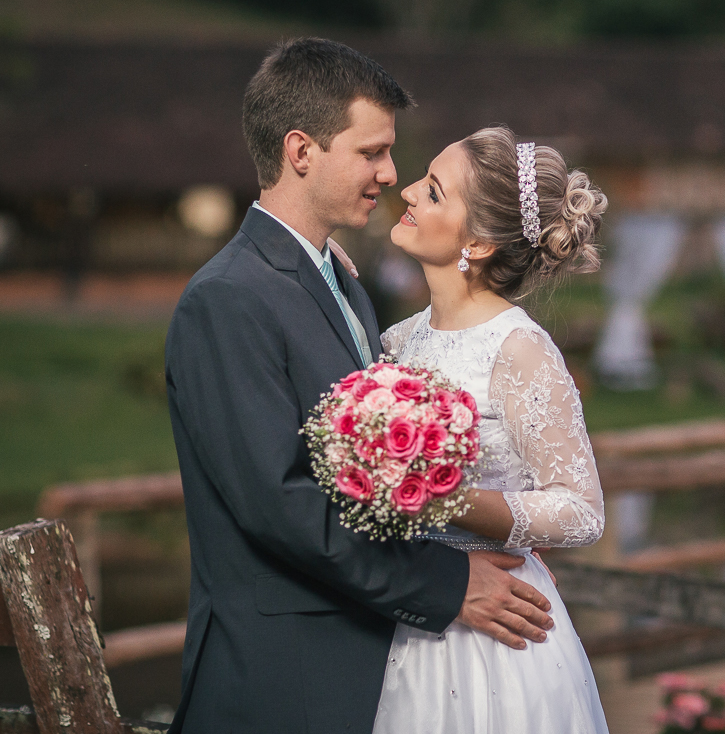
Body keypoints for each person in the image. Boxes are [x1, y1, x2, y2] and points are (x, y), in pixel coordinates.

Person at [164, 39, 553, 734]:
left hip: (365, 665)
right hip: (282, 680)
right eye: (371, 152)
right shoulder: (225, 299)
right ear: (301, 150)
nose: (390, 172)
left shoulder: (340, 279)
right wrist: (447, 583)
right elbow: (280, 505)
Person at [368, 126, 610, 733]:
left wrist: (451, 499)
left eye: (434, 191)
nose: (410, 195)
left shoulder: (520, 347)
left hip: (495, 631)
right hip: (408, 604)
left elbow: (582, 510)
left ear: (475, 241)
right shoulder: (397, 340)